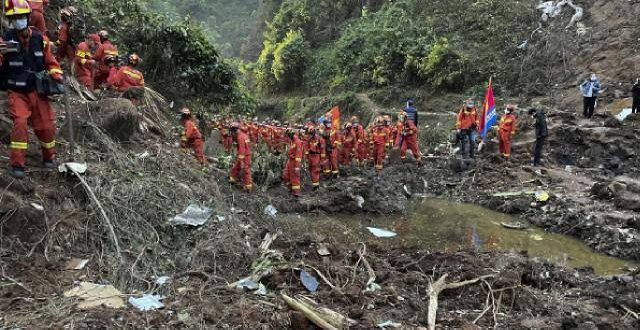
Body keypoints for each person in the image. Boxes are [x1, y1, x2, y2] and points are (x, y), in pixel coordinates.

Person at [0, 0, 64, 178]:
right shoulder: (4, 40)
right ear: (10, 20)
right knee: (20, 123)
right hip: (17, 91)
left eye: (21, 16)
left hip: (38, 90)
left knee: (46, 126)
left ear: (28, 17)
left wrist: (57, 75)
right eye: (14, 17)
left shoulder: (40, 39)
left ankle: (48, 157)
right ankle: (17, 164)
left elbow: (51, 62)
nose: (18, 20)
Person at [229, 122, 253, 192]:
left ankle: (248, 187)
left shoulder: (240, 137)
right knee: (236, 168)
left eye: (231, 132)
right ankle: (232, 179)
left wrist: (241, 161)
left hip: (245, 157)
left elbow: (242, 150)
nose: (231, 134)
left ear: (234, 130)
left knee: (246, 171)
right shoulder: (244, 135)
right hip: (245, 155)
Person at [282, 128, 304, 197]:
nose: (288, 136)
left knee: (295, 178)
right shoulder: (292, 141)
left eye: (288, 135)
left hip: (295, 162)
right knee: (285, 175)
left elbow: (298, 155)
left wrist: (297, 166)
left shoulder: (298, 142)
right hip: (290, 161)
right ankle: (290, 188)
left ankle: (296, 194)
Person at [305, 124, 325, 190]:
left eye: (311, 133)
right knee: (311, 170)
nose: (310, 135)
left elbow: (322, 150)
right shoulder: (309, 139)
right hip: (310, 156)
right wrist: (307, 158)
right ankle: (315, 184)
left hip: (316, 156)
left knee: (315, 171)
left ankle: (316, 186)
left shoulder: (319, 139)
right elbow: (306, 148)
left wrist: (322, 160)